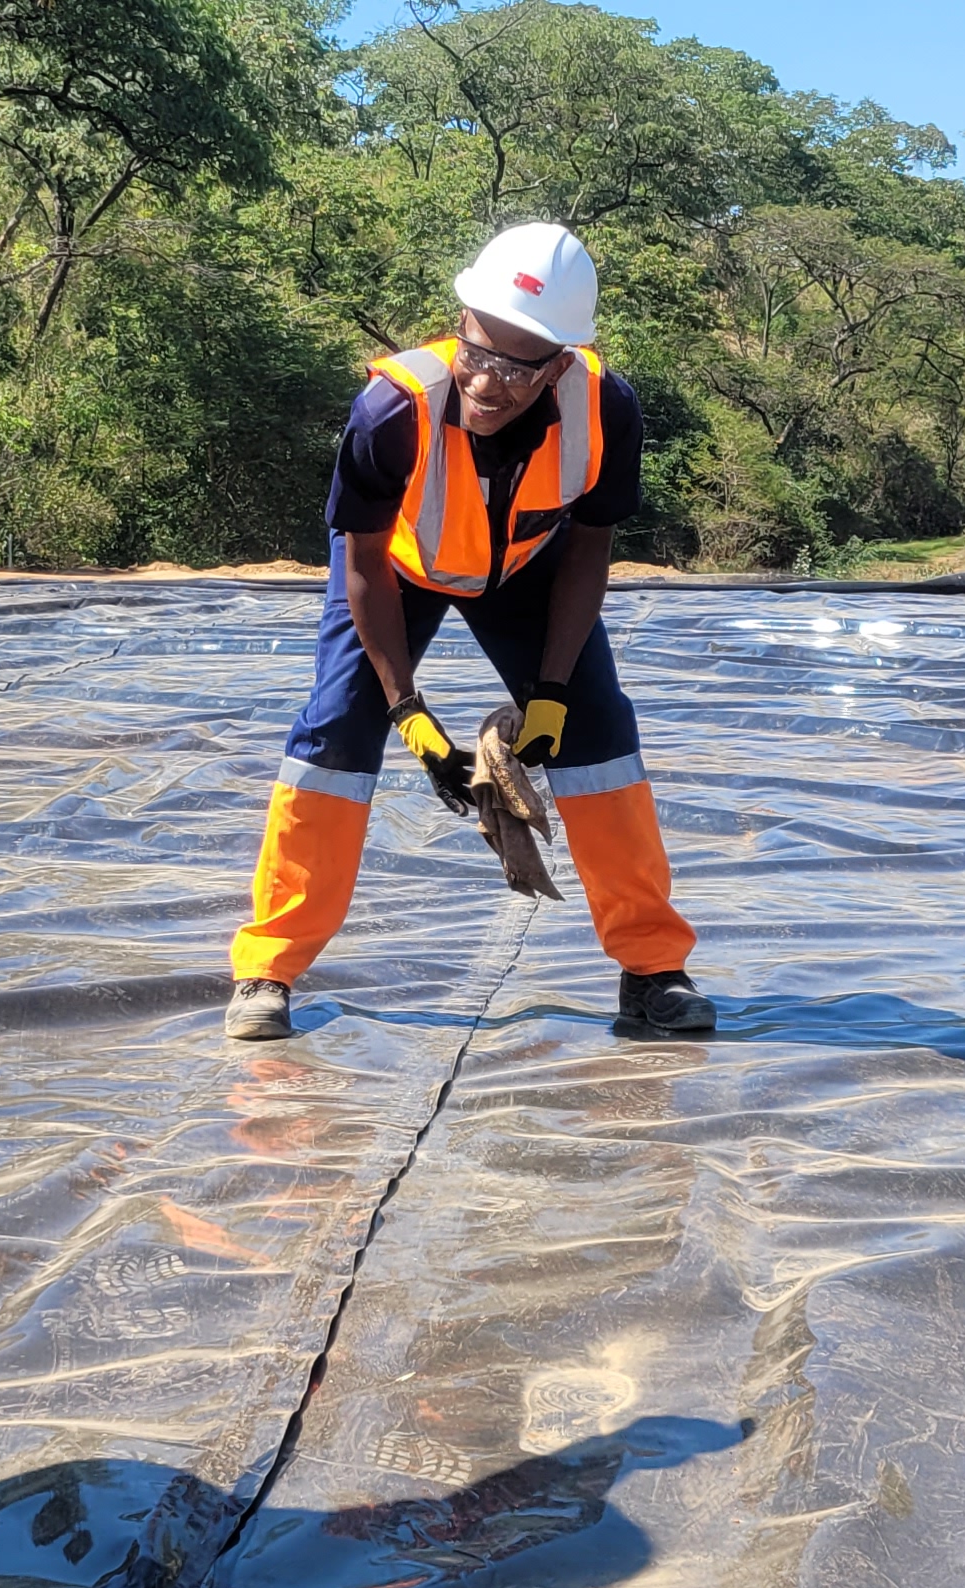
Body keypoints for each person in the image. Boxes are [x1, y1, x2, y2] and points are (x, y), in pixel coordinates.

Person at [226, 223, 714, 1042]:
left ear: (560, 362)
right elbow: (363, 562)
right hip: (401, 570)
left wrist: (554, 692)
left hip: (530, 569)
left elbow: (590, 547)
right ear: (461, 321)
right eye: (477, 350)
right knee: (334, 737)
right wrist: (406, 710)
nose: (488, 382)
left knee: (599, 734)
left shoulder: (605, 406)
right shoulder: (392, 409)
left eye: (520, 364)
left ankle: (653, 968)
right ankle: (267, 971)